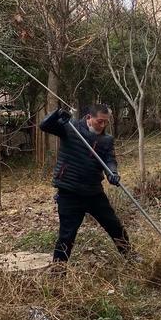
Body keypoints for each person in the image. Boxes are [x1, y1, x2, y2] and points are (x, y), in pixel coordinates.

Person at [40, 104, 134, 266]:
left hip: (93, 192)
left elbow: (110, 160)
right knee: (67, 235)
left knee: (114, 226)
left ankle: (130, 256)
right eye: (100, 121)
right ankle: (58, 271)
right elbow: (45, 125)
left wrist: (113, 173)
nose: (103, 125)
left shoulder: (106, 140)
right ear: (89, 118)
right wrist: (57, 114)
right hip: (69, 192)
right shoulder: (70, 127)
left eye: (106, 122)